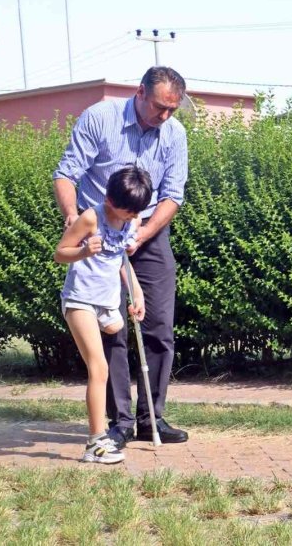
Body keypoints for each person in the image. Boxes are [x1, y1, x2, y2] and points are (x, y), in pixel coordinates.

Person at [53, 66, 190, 449]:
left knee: (159, 323)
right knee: (110, 324)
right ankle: (120, 422)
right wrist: (75, 221)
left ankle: (151, 418)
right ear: (141, 92)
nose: (165, 116)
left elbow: (173, 194)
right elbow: (66, 174)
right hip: (102, 233)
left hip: (147, 231)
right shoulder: (101, 117)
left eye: (172, 110)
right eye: (160, 107)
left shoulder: (175, 134)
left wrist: (142, 234)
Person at [55, 166, 152, 463]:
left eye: (137, 213)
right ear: (110, 200)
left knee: (116, 327)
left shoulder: (130, 222)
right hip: (80, 299)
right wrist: (83, 252)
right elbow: (60, 253)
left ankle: (110, 317)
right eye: (128, 212)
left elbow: (122, 260)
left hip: (107, 301)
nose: (133, 218)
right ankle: (96, 443)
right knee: (99, 369)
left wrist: (136, 294)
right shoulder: (91, 218)